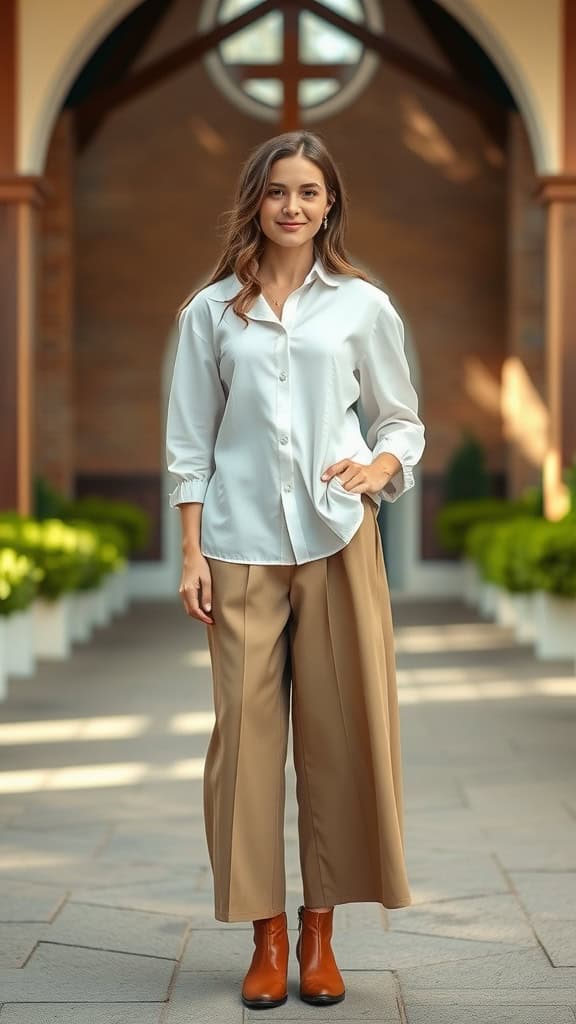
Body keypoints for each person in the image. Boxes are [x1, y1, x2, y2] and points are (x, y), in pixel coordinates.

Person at [165, 130, 425, 1010]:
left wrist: (378, 469)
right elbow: (188, 441)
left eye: (309, 192)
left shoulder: (361, 306)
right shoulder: (210, 314)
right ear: (256, 200)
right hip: (239, 545)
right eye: (278, 191)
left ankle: (320, 932)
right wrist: (192, 551)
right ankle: (263, 935)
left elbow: (400, 422)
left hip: (337, 538)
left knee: (342, 733)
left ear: (329, 206)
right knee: (243, 741)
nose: (293, 206)